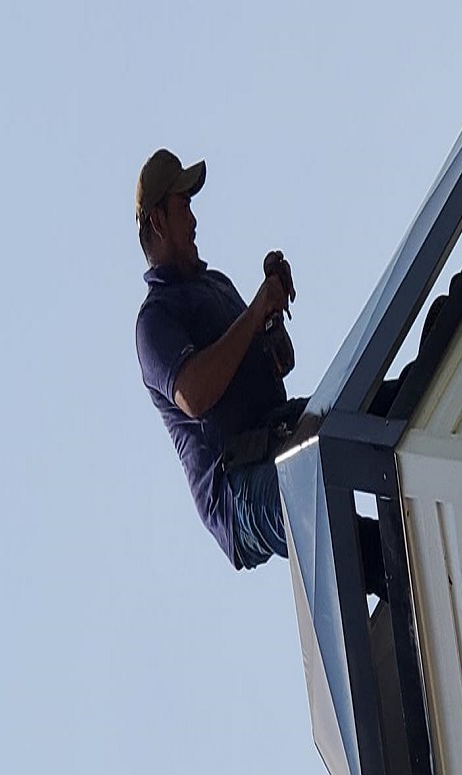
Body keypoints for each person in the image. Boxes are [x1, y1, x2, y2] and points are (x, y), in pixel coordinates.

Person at [134, 148, 297, 570]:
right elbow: (194, 394)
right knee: (309, 496)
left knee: (366, 407)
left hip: (278, 432)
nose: (193, 221)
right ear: (159, 221)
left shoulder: (215, 284)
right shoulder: (155, 320)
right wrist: (255, 312)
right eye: (183, 207)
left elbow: (275, 363)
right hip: (236, 489)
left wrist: (270, 314)